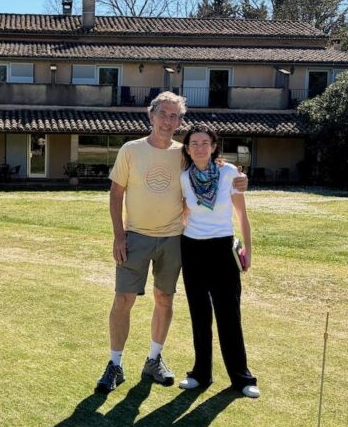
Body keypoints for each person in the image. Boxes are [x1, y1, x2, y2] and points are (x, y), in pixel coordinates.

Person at [96, 92, 248, 393]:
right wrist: (119, 235)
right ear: (151, 115)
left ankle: (154, 359)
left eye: (175, 116)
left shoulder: (184, 153)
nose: (168, 121)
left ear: (180, 121)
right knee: (123, 299)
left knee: (164, 299)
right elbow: (116, 194)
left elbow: (212, 163)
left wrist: (240, 179)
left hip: (174, 239)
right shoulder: (130, 149)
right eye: (163, 114)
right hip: (135, 237)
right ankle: (115, 364)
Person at [177, 125, 259, 398]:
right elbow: (185, 212)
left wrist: (248, 250)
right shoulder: (184, 178)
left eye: (205, 143)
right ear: (188, 149)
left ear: (213, 147)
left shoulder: (229, 173)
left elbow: (242, 215)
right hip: (192, 249)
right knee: (199, 314)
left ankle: (242, 378)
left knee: (229, 314)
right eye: (194, 143)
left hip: (223, 248)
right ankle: (201, 374)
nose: (200, 148)